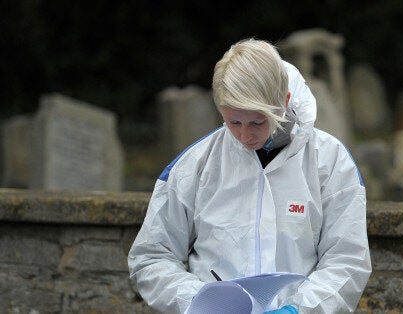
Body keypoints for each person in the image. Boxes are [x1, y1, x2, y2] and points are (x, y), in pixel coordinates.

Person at [128, 38, 371, 313]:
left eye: (257, 122)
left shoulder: (330, 161)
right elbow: (151, 257)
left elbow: (347, 259)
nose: (245, 135)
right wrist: (204, 303)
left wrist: (301, 310)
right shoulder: (195, 164)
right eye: (233, 121)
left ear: (285, 101)